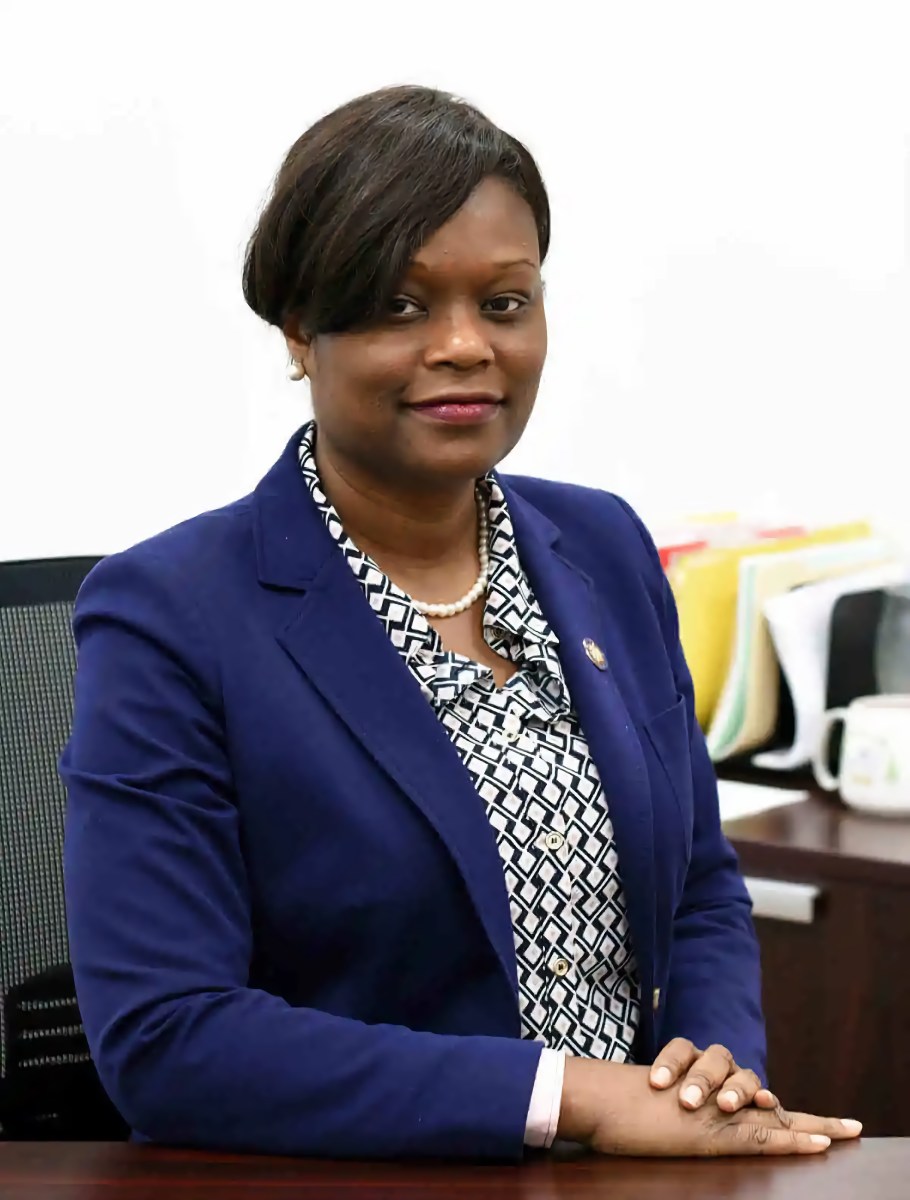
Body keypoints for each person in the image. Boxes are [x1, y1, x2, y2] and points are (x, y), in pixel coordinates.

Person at [60, 85, 861, 1162]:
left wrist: (709, 1078)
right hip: (365, 1177)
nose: (462, 347)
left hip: (631, 1174)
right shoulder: (170, 612)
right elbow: (165, 1037)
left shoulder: (605, 545)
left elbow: (697, 884)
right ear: (301, 328)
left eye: (503, 302)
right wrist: (569, 1095)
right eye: (399, 305)